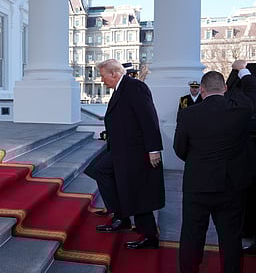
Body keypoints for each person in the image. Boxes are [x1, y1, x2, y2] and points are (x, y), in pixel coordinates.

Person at [173, 60, 256, 273]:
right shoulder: (241, 109)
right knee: (230, 238)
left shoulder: (187, 114)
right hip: (232, 185)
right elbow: (251, 91)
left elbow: (179, 149)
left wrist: (197, 162)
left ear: (201, 90)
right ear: (225, 89)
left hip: (198, 183)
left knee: (192, 235)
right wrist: (242, 70)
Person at [84, 59, 165, 249]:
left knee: (137, 190)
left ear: (114, 74)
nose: (102, 80)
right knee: (99, 170)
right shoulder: (121, 88)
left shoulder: (135, 87)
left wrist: (153, 149)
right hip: (121, 149)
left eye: (103, 76)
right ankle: (121, 216)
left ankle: (149, 236)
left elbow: (149, 118)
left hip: (136, 151)